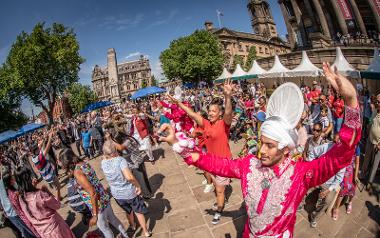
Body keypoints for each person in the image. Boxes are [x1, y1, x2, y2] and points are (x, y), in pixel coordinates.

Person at [157, 62, 361, 237]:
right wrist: (176, 143)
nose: (261, 150)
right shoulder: (249, 165)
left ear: (286, 149)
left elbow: (342, 154)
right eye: (261, 142)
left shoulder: (301, 175)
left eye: (270, 145)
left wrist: (351, 101)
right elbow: (212, 162)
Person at [166, 79, 234, 225]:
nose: (210, 113)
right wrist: (177, 103)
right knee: (216, 186)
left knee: (220, 189)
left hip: (223, 163)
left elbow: (228, 112)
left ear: (220, 113)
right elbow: (191, 114)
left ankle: (219, 210)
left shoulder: (224, 124)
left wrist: (228, 96)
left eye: (214, 111)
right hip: (211, 162)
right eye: (209, 111)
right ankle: (220, 200)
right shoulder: (206, 123)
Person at [58, 148, 128, 238]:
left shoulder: (77, 171)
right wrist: (79, 185)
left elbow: (92, 193)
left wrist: (94, 215)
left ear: (66, 161)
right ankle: (126, 235)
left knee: (105, 228)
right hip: (103, 197)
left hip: (97, 205)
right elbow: (91, 180)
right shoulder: (83, 163)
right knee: (113, 219)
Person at [101, 140, 151, 237]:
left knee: (128, 211)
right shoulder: (120, 160)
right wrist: (138, 186)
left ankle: (132, 226)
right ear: (115, 149)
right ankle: (146, 231)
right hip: (129, 192)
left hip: (116, 194)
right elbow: (129, 177)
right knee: (138, 212)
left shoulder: (103, 162)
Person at [14, 167, 75, 238]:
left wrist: (34, 187)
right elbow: (57, 205)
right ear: (29, 178)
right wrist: (49, 191)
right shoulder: (40, 194)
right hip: (56, 230)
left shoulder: (21, 198)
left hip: (43, 233)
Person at [0, 165, 37, 238]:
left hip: (11, 213)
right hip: (15, 212)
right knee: (28, 231)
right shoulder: (4, 181)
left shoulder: (3, 181)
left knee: (25, 231)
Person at [30, 129, 62, 201]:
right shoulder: (39, 157)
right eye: (37, 149)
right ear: (35, 151)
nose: (39, 148)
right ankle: (58, 201)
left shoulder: (33, 157)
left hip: (47, 175)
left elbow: (40, 147)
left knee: (57, 187)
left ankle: (58, 197)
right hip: (50, 175)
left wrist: (44, 139)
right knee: (57, 188)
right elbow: (47, 148)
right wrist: (50, 138)